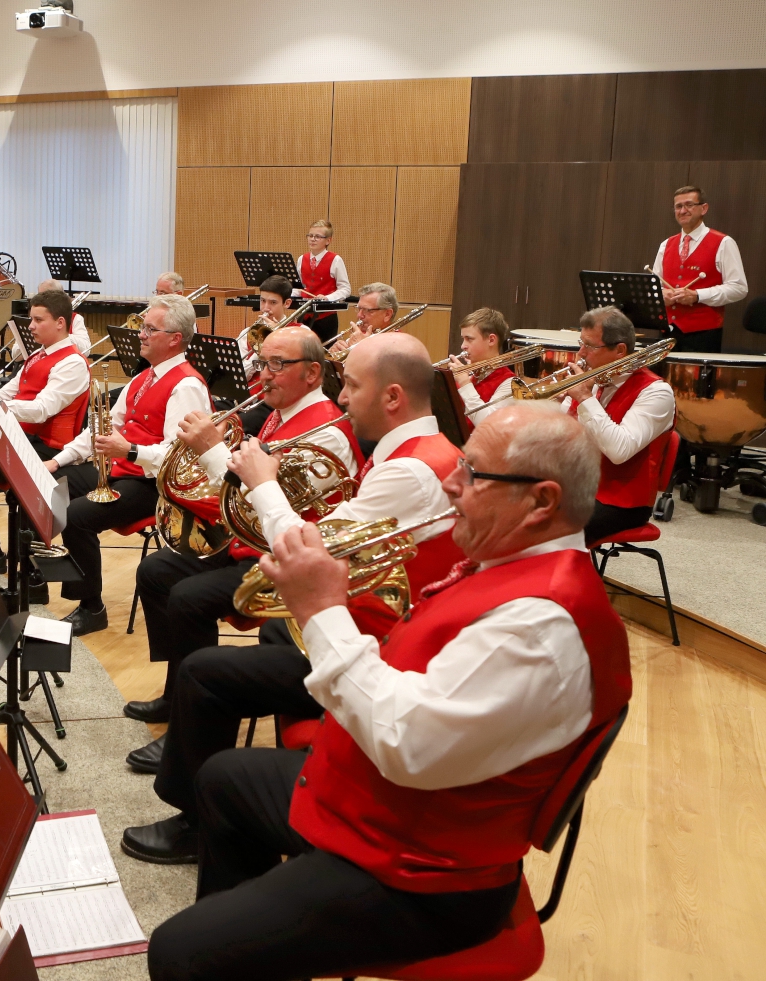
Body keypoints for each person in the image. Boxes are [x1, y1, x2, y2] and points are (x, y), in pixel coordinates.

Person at [145, 403, 631, 981]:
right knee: (224, 780)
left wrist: (323, 611)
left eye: (472, 474)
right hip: (388, 816)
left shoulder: (543, 626)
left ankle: (244, 946)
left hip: (426, 880)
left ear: (542, 501)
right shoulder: (511, 566)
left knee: (179, 953)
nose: (451, 481)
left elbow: (406, 745)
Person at [122, 333, 460, 749]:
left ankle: (192, 729)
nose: (345, 400)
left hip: (358, 618)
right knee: (158, 571)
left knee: (192, 605)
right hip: (292, 559)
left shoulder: (400, 465)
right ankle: (177, 700)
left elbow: (309, 538)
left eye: (352, 386)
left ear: (392, 397)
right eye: (263, 363)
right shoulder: (289, 417)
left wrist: (235, 466)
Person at [46, 294, 212, 635]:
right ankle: (43, 573)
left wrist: (130, 450)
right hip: (124, 469)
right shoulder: (142, 378)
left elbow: (179, 455)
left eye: (150, 328)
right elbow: (101, 428)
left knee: (75, 516)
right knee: (56, 482)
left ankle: (92, 607)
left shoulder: (187, 385)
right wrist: (57, 460)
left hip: (155, 485)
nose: (140, 334)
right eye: (143, 327)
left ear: (174, 339)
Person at [0, 290, 90, 567]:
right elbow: (10, 391)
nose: (30, 326)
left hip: (45, 445)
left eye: (37, 320)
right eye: (31, 319)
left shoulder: (72, 363)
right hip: (23, 437)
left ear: (60, 323)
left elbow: (43, 409)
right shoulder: (39, 355)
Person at [561, 306, 675, 545]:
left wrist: (584, 398)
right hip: (578, 486)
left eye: (590, 346)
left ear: (620, 350)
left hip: (621, 502)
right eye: (581, 343)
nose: (580, 353)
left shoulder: (656, 393)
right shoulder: (594, 379)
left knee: (548, 529)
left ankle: (562, 581)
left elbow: (618, 451)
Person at [653, 184, 747, 353]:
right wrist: (661, 294)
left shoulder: (724, 243)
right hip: (667, 331)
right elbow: (655, 286)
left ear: (703, 208)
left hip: (703, 334)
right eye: (678, 206)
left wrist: (698, 295)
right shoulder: (666, 245)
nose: (683, 211)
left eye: (689, 205)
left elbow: (739, 288)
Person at [450, 307, 514, 424]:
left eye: (469, 339)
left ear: (491, 340)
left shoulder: (509, 383)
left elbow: (486, 424)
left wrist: (465, 383)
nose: (463, 346)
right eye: (463, 339)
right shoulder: (471, 373)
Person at [330, 282, 400, 356]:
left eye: (368, 310)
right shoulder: (361, 335)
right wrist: (334, 355)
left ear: (387, 314)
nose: (359, 315)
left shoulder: (398, 344)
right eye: (359, 309)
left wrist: (363, 348)